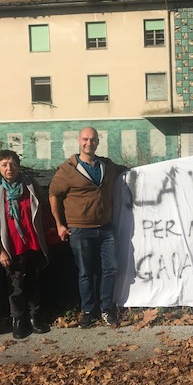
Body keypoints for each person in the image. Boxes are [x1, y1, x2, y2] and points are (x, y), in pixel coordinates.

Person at [49, 127, 125, 328]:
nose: (88, 143)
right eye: (85, 139)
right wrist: (59, 225)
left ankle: (107, 309)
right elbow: (53, 194)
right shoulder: (67, 169)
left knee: (111, 268)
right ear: (79, 141)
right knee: (85, 272)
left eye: (92, 140)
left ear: (98, 142)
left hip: (106, 228)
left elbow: (127, 172)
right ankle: (88, 311)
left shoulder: (106, 166)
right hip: (80, 229)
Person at [0, 150, 52, 339]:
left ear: (18, 166)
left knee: (34, 281)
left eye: (12, 164)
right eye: (4, 165)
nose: (9, 168)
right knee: (15, 286)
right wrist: (1, 251)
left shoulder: (30, 185)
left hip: (33, 243)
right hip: (12, 247)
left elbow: (43, 208)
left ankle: (34, 317)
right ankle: (18, 319)